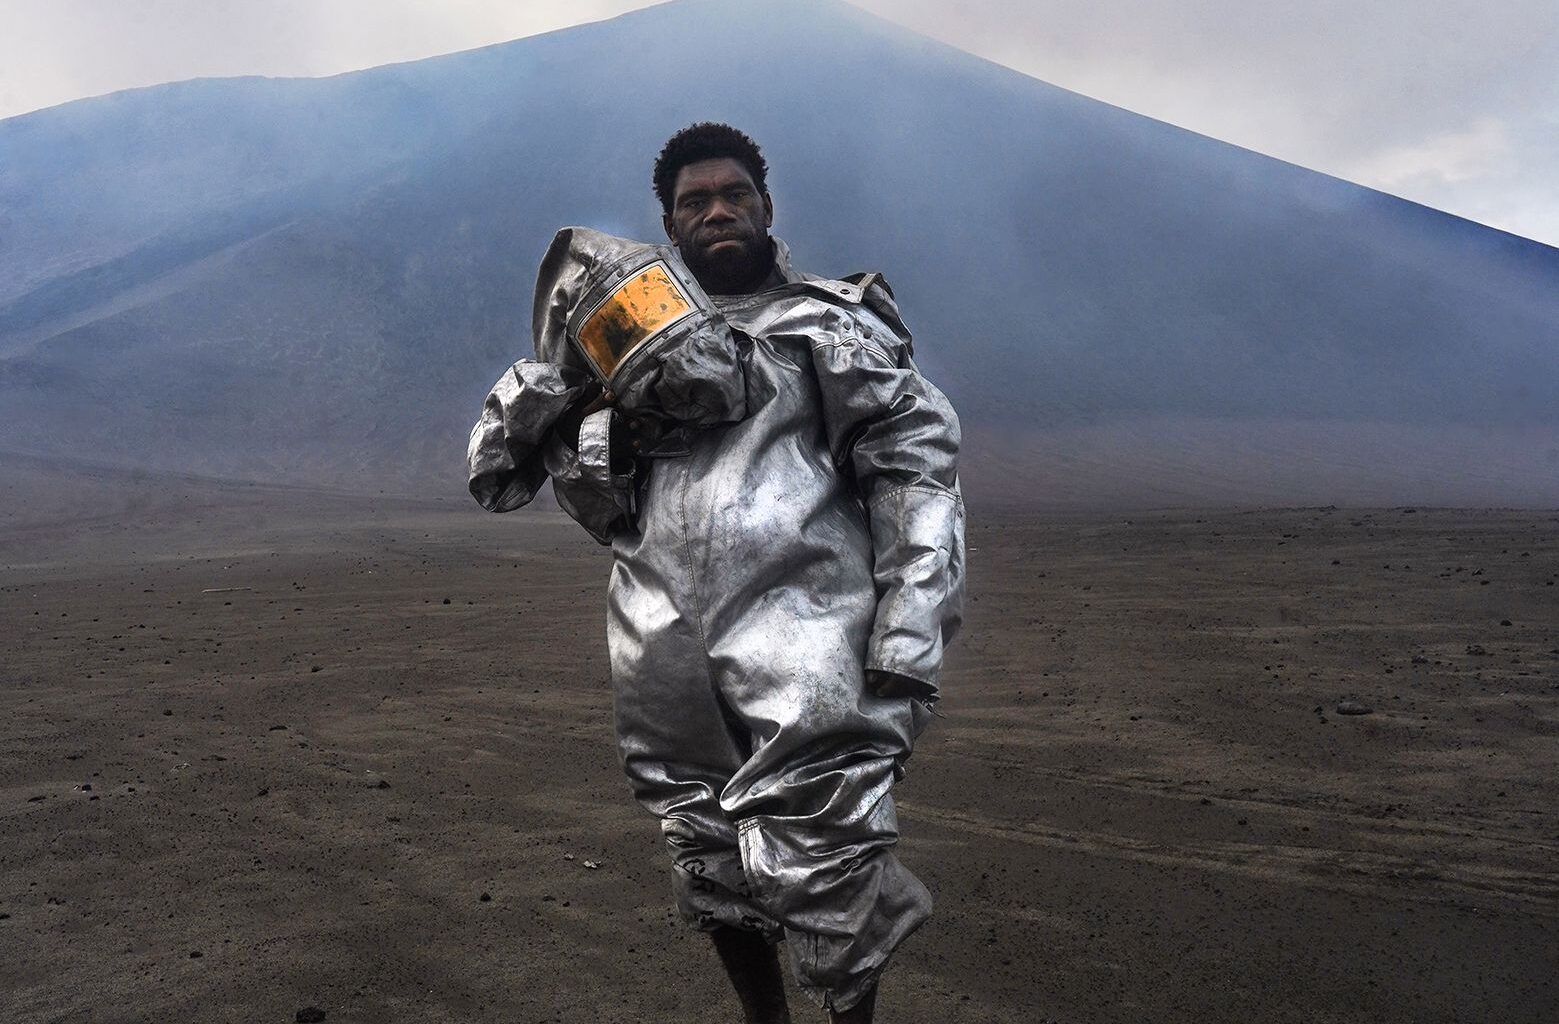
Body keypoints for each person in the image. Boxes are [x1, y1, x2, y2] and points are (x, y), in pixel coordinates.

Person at [467, 122, 964, 1023]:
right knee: (702, 841)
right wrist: (578, 411)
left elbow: (912, 475)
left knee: (828, 844)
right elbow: (556, 487)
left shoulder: (830, 324)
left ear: (766, 206)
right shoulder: (625, 344)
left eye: (734, 194)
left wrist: (908, 626)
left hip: (807, 628)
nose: (718, 211)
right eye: (694, 202)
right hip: (659, 632)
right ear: (669, 225)